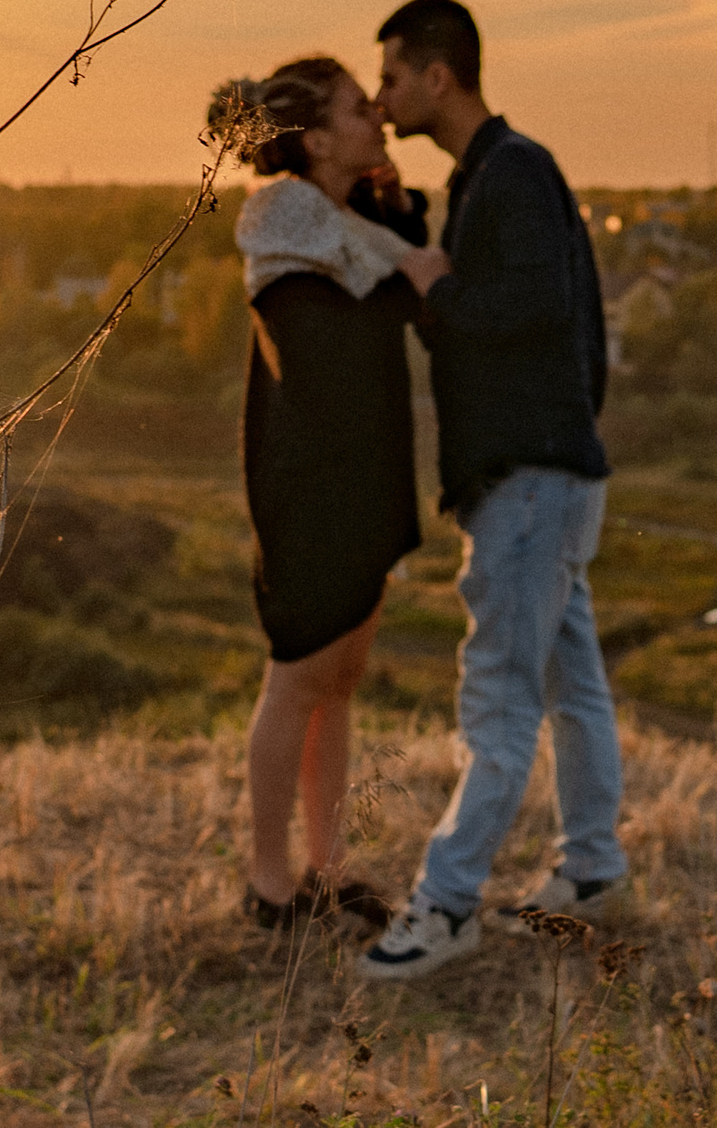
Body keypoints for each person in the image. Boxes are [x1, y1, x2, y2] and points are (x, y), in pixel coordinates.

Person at [357, 0, 625, 982]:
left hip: (528, 479)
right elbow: (540, 322)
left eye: (389, 78)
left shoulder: (511, 173)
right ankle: (592, 869)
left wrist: (434, 287)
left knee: (500, 701)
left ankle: (446, 904)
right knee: (570, 680)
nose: (381, 100)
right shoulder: (493, 176)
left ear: (438, 75)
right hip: (544, 470)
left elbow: (534, 308)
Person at [213, 57, 433, 931]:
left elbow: (402, 292)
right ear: (316, 139)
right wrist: (404, 272)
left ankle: (328, 868)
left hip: (361, 476)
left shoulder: (347, 221)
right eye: (356, 107)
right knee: (298, 675)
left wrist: (392, 206)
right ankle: (272, 887)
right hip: (312, 487)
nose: (375, 113)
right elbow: (329, 352)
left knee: (339, 678)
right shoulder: (287, 235)